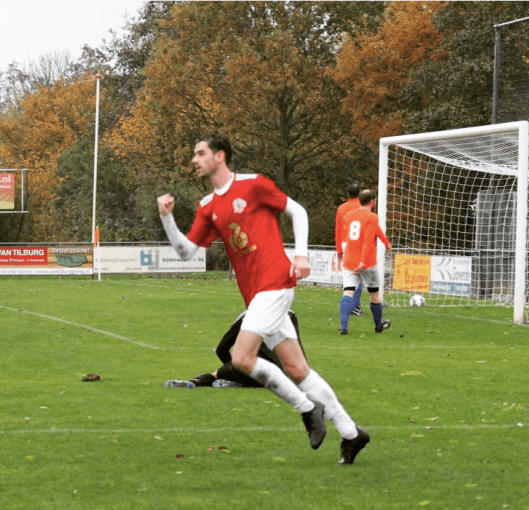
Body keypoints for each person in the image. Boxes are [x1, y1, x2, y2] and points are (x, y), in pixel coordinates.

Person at [157, 134, 370, 465]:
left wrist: (300, 256)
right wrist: (166, 217)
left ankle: (307, 408)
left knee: (242, 358)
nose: (194, 159)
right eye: (194, 154)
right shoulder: (207, 206)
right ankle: (352, 433)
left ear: (220, 156)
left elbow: (297, 211)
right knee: (298, 369)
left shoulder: (253, 185)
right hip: (257, 294)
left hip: (276, 282)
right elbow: (185, 252)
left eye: (200, 153)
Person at [165, 310, 305, 389]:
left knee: (217, 374)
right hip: (280, 376)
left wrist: (231, 367)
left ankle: (195, 382)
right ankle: (238, 383)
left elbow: (221, 349)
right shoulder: (290, 315)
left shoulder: (249, 315)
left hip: (251, 367)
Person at [339, 189, 392, 335]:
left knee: (348, 291)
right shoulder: (372, 217)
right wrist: (363, 262)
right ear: (372, 202)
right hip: (367, 262)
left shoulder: (348, 216)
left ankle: (344, 327)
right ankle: (378, 325)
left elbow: (374, 230)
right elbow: (368, 240)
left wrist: (386, 242)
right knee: (374, 294)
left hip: (349, 260)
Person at [335, 183, 364, 316]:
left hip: (346, 243)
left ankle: (350, 304)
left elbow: (338, 229)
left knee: (350, 275)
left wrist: (339, 250)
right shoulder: (363, 206)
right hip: (360, 242)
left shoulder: (342, 208)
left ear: (348, 194)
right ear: (360, 193)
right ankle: (354, 306)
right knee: (358, 274)